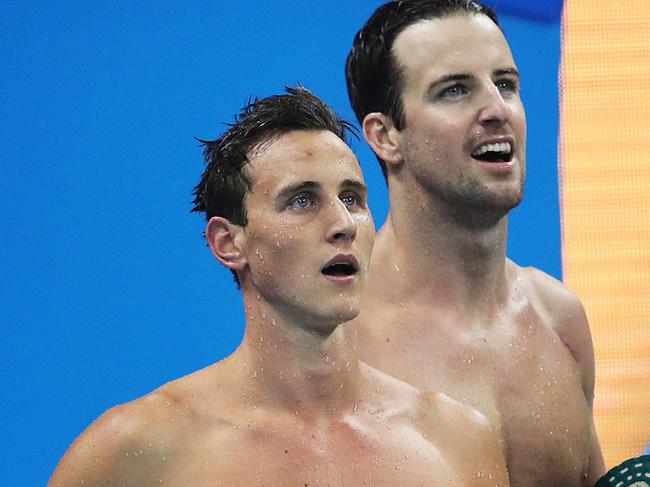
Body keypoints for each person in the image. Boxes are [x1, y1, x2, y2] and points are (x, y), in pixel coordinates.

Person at [48, 86, 509, 486]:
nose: (343, 223)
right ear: (229, 243)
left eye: (352, 198)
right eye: (303, 200)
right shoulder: (137, 451)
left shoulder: (457, 442)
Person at [345, 2, 605, 486]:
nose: (497, 110)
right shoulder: (337, 337)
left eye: (505, 84)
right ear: (386, 137)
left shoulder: (558, 319)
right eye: (455, 90)